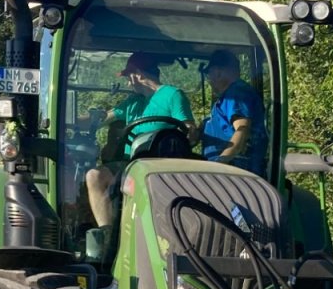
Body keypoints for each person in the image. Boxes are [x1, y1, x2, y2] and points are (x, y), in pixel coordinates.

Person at [84, 51, 195, 228]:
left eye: (129, 76)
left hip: (161, 165)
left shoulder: (172, 95)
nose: (128, 82)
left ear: (138, 75)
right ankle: (106, 234)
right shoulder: (133, 102)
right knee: (94, 176)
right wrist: (75, 120)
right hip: (130, 165)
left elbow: (189, 131)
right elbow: (104, 118)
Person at [200, 48, 267, 172]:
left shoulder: (236, 94)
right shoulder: (228, 96)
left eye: (209, 73)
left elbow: (242, 129)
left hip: (233, 170)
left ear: (218, 72)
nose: (209, 79)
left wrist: (222, 161)